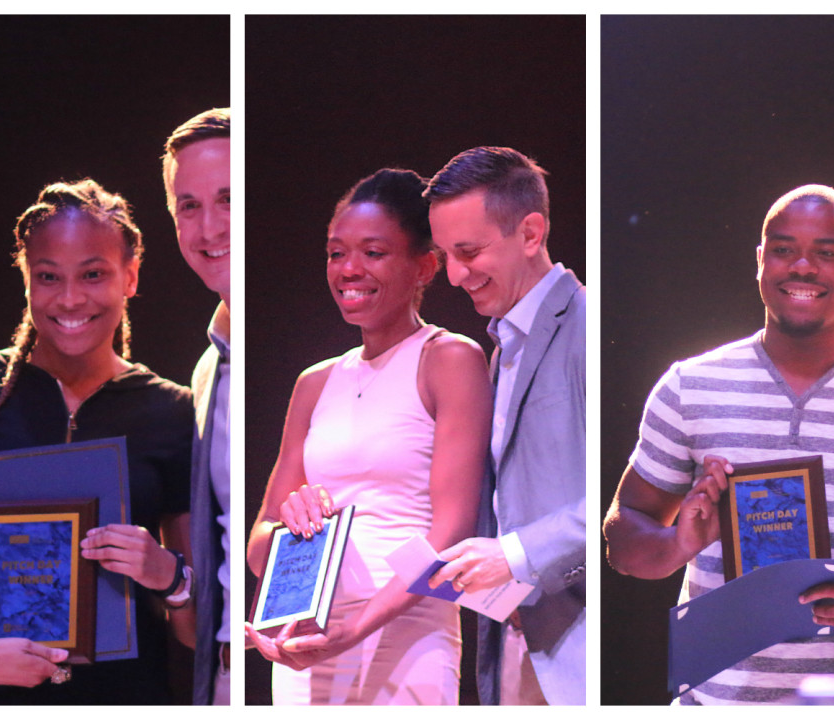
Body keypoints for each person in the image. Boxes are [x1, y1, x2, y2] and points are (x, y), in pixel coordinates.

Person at [603, 184, 834, 705]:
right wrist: (678, 543)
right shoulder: (690, 386)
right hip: (712, 702)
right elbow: (622, 541)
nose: (803, 267)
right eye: (784, 249)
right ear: (760, 260)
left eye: (827, 253)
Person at [0, 179, 195, 704]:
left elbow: (197, 632)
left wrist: (169, 576)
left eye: (93, 275)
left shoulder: (173, 411)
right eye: (48, 277)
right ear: (25, 279)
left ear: (130, 277)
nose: (70, 298)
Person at [245, 168, 492, 705]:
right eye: (337, 253)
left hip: (407, 638)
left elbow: (451, 532)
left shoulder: (448, 359)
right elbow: (259, 546)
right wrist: (292, 523)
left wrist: (355, 630)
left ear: (425, 266)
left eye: (373, 253)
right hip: (306, 639)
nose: (349, 269)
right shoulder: (314, 383)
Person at [423, 146, 585, 705]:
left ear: (532, 233)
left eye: (468, 251)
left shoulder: (588, 329)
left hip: (582, 652)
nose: (453, 274)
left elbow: (626, 501)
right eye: (445, 254)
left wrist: (513, 555)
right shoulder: (501, 349)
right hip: (520, 646)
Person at [162, 107, 231, 706]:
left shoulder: (332, 338)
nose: (209, 227)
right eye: (188, 206)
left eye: (228, 199)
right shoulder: (207, 370)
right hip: (231, 678)